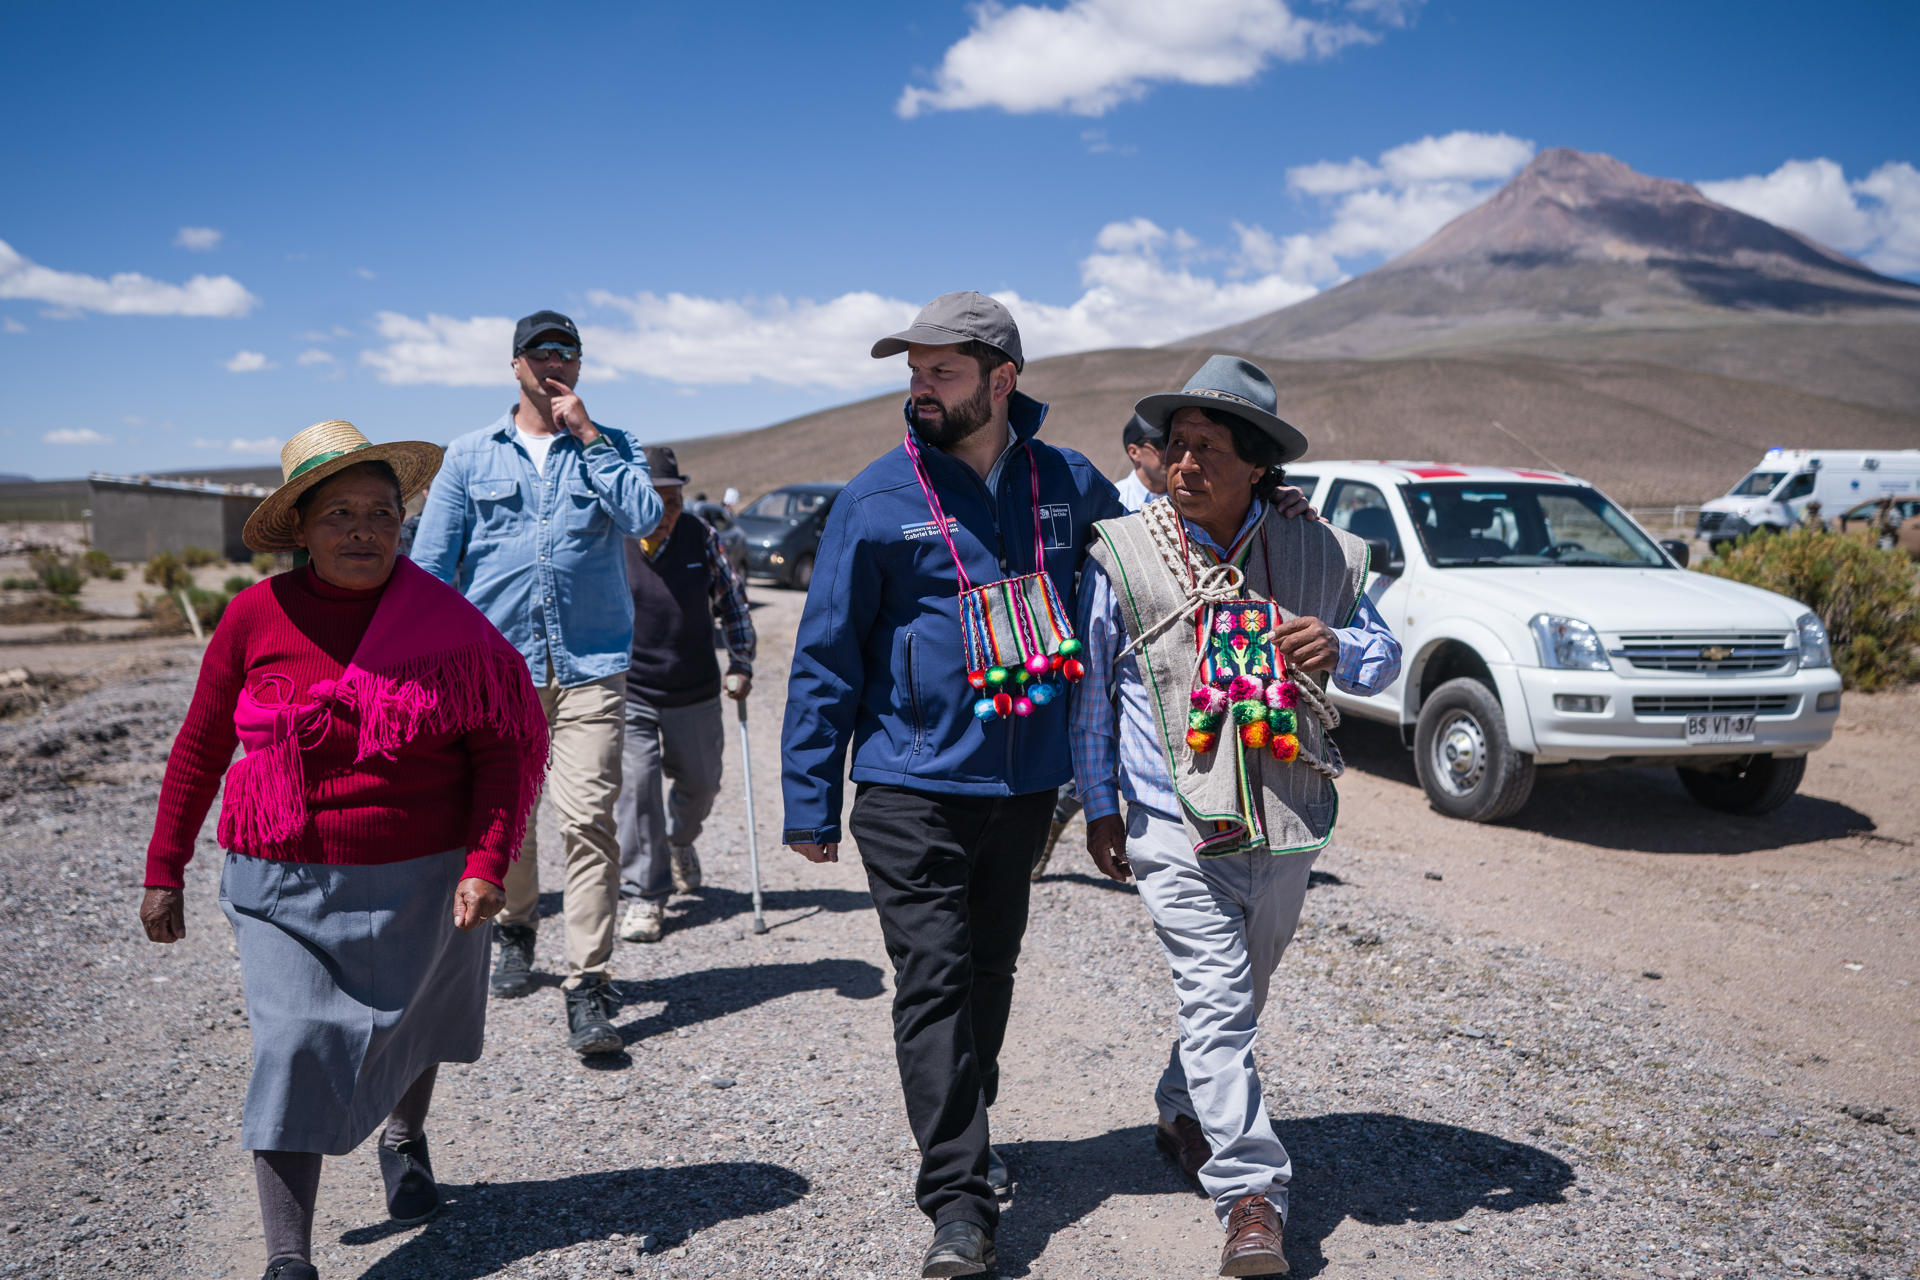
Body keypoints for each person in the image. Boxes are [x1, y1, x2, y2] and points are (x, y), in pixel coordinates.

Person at [139, 421, 548, 1280]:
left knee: (417, 1019)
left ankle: (404, 1140)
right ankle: (288, 1258)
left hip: (425, 872)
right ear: (300, 528)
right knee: (293, 1044)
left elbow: (502, 751)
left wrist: (486, 862)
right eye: (339, 514)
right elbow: (200, 745)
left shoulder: (445, 623)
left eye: (381, 513)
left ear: (403, 522)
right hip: (280, 877)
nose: (363, 529)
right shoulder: (255, 616)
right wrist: (162, 869)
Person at [781, 292, 1122, 1278]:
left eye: (941, 372)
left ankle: (967, 1127)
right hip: (907, 784)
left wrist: (1268, 505)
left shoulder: (1067, 482)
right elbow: (826, 655)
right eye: (912, 372)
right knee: (933, 976)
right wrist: (811, 794)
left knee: (990, 970)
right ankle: (960, 1198)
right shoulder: (877, 499)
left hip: (1023, 788)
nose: (919, 389)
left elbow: (1152, 564)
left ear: (1001, 380)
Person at [1070, 356, 1401, 1278]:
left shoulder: (1314, 547)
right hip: (1169, 815)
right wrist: (1100, 803)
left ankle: (1184, 1106)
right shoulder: (1125, 554)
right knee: (1215, 996)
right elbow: (1094, 691)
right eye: (1175, 447)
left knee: (1243, 989)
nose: (1183, 464)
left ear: (1256, 465)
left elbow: (1381, 654)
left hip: (1285, 810)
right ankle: (1252, 1196)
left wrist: (1336, 643)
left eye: (1206, 448)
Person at [411, 309, 662, 1058]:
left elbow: (644, 517)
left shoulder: (612, 447)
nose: (556, 363)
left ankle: (589, 983)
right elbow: (431, 570)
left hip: (591, 666)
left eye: (570, 353)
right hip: (498, 673)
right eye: (542, 352)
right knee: (507, 818)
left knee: (587, 818)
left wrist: (588, 436)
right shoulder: (467, 456)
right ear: (515, 363)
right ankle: (518, 926)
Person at [615, 445, 755, 944]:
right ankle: (644, 897)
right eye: (654, 502)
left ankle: (680, 841)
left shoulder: (700, 535)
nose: (666, 513)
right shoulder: (612, 542)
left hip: (694, 689)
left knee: (701, 786)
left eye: (672, 501)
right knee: (637, 792)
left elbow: (734, 604)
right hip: (631, 691)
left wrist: (740, 662)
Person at [1029, 410, 1171, 878]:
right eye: (1161, 446)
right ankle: (1045, 843)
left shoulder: (1188, 502)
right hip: (1097, 652)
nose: (1173, 456)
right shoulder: (1113, 505)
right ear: (1136, 452)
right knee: (1088, 747)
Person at [1115, 410, 1170, 511]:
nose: (1169, 450)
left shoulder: (1190, 495)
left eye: (1174, 441)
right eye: (1161, 443)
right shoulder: (1116, 500)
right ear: (1134, 452)